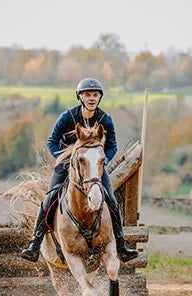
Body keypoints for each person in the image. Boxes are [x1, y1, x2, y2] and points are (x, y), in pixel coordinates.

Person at [21, 78, 138, 263]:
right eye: (87, 95)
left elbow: (113, 146)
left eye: (95, 95)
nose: (91, 98)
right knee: (49, 199)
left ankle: (122, 246)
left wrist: (102, 160)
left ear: (99, 97)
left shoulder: (105, 119)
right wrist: (64, 159)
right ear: (80, 97)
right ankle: (34, 244)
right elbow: (52, 141)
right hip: (67, 165)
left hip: (93, 168)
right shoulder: (67, 117)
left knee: (112, 201)